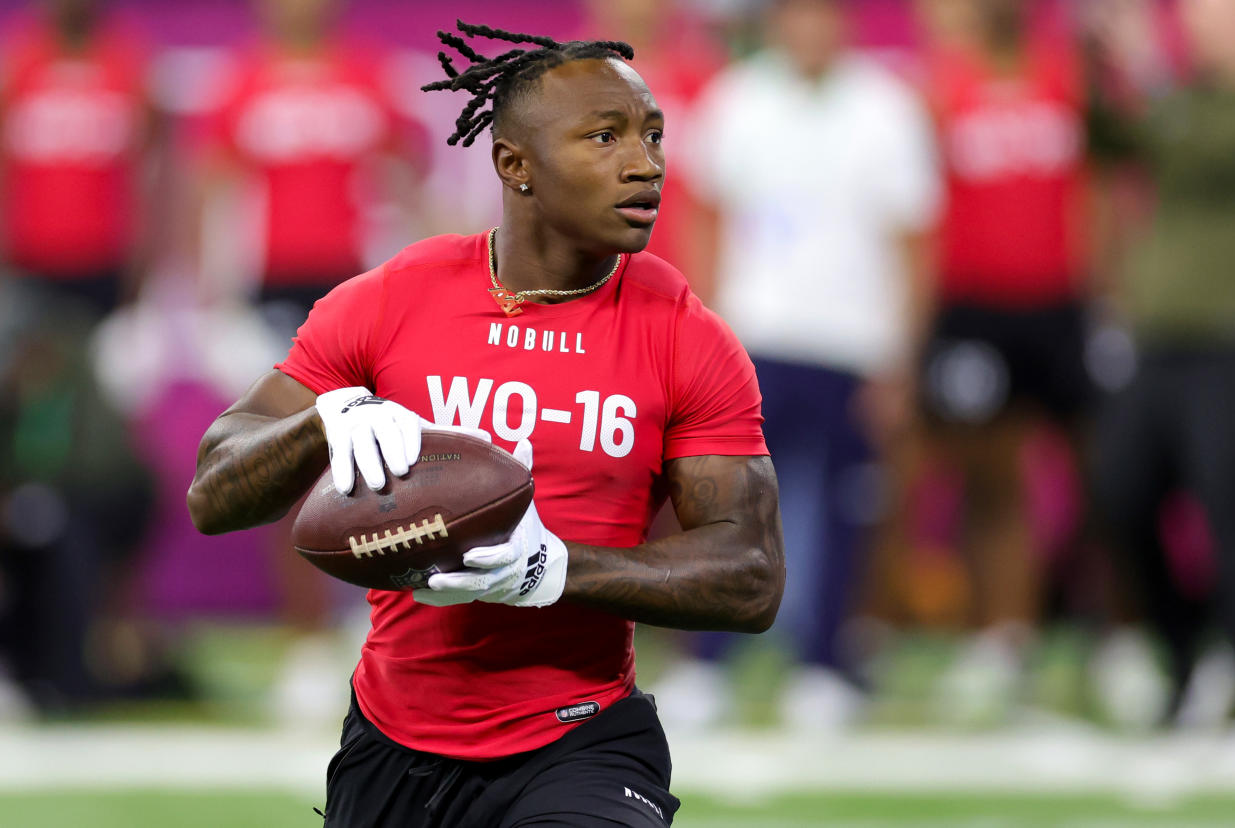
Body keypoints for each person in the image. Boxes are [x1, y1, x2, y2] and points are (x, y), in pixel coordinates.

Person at [187, 21, 784, 827]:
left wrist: (554, 570)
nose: (645, 164)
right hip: (391, 737)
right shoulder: (395, 298)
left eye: (652, 136)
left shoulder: (685, 332)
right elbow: (213, 494)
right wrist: (324, 420)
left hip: (583, 740)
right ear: (516, 166)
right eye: (604, 137)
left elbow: (751, 573)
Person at [681, 0, 940, 728]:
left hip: (852, 343)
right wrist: (707, 331)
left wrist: (900, 356)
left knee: (842, 509)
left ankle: (824, 664)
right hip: (753, 338)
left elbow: (914, 240)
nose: (811, 30)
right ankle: (710, 663)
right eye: (797, 15)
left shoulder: (886, 107)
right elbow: (707, 215)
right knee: (728, 506)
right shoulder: (737, 100)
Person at [196, 0, 435, 722]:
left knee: (384, 465)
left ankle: (390, 637)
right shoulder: (241, 80)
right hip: (271, 289)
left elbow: (407, 182)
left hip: (359, 287)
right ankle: (304, 642)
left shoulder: (368, 74)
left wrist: (433, 273)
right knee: (291, 465)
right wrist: (208, 297)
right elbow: (213, 189)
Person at [907, 0, 1096, 721]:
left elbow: (1101, 190)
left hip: (1063, 304)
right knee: (990, 480)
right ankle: (1002, 640)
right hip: (975, 306)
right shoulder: (942, 87)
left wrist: (1104, 288)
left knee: (1103, 477)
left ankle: (1123, 639)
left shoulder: (1068, 78)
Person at [1087, 0, 1235, 727]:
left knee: (1227, 505)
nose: (1203, 28)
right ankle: (1182, 653)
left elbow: (1207, 151)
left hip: (1228, 341)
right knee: (1119, 488)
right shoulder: (1187, 101)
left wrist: (1149, 72)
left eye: (1220, 15)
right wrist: (1100, 58)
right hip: (1158, 343)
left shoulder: (1208, 111)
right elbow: (1109, 137)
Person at [0, 0, 163, 318]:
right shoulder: (18, 68)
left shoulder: (129, 66)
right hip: (31, 255)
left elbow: (151, 174)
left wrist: (147, 248)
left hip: (107, 255)